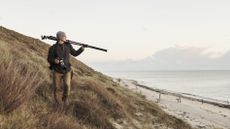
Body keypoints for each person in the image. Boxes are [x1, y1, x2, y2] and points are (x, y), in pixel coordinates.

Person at [47, 31, 85, 107]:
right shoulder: (52, 48)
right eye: (64, 36)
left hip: (67, 70)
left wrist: (81, 49)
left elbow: (74, 53)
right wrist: (54, 61)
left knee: (67, 85)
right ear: (60, 37)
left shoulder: (68, 46)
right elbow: (49, 59)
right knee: (56, 87)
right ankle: (57, 102)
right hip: (57, 70)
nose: (66, 37)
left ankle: (65, 99)